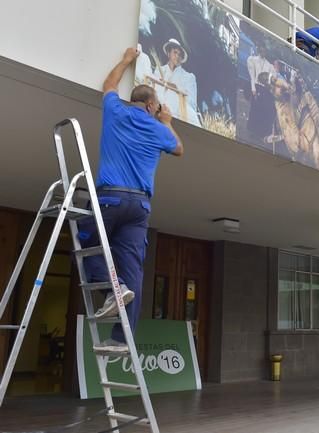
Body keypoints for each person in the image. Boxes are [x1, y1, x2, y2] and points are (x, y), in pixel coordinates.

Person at [78, 47, 184, 355]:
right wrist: (167, 120)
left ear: (135, 101)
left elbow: (109, 85)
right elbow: (178, 148)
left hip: (109, 198)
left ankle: (113, 291)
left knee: (86, 246)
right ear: (152, 105)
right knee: (133, 271)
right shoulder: (156, 126)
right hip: (139, 207)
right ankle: (122, 339)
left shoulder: (116, 111)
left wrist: (126, 60)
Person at [156, 38, 201, 126]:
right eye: (175, 52)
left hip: (178, 116)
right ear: (169, 54)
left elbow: (192, 103)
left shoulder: (188, 77)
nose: (177, 56)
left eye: (180, 55)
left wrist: (176, 89)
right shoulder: (159, 70)